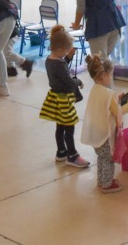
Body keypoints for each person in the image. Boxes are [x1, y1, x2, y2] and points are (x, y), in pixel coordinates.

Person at [80, 53, 128, 193]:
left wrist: (117, 98)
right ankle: (107, 184)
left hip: (95, 131)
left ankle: (102, 180)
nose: (111, 78)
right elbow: (117, 112)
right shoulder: (108, 93)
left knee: (101, 158)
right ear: (104, 75)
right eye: (110, 75)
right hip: (105, 134)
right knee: (108, 159)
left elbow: (107, 105)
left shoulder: (95, 90)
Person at [38, 25, 88, 168]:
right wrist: (78, 81)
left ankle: (61, 152)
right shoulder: (58, 64)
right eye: (66, 50)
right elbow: (67, 80)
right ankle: (72, 155)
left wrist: (68, 57)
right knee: (69, 127)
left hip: (55, 97)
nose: (66, 52)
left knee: (60, 125)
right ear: (60, 49)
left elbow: (61, 68)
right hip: (64, 99)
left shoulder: (50, 60)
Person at [0, 0, 33, 78]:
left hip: (10, 34)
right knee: (6, 50)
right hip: (12, 33)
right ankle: (11, 69)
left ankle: (25, 62)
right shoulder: (9, 3)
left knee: (6, 52)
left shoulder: (0, 5)